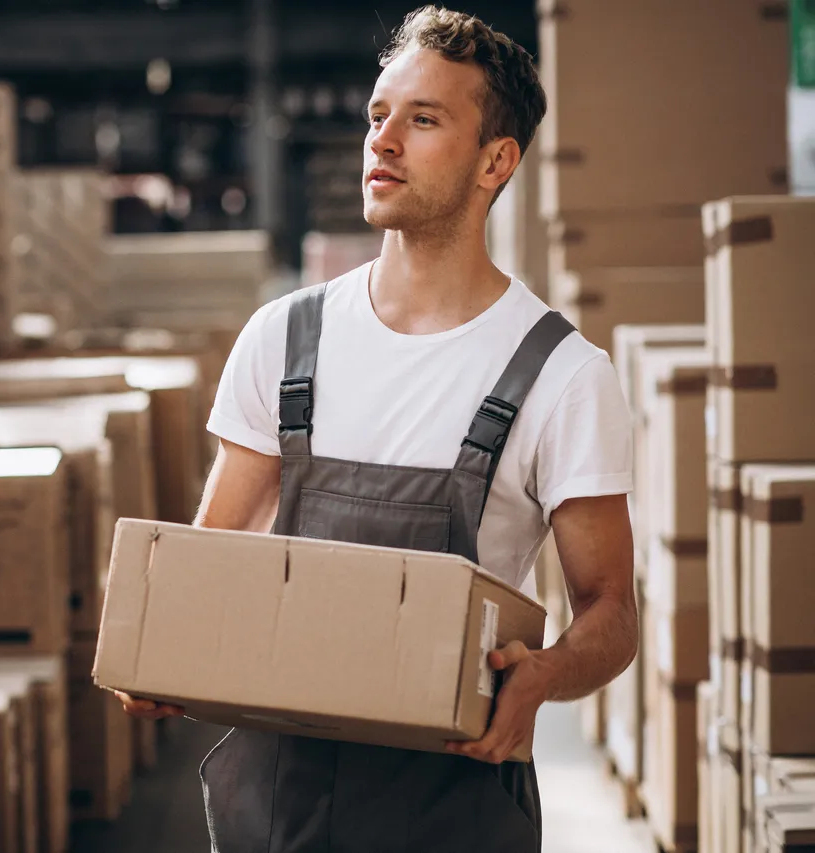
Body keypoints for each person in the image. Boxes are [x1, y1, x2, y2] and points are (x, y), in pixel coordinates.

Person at [116, 6, 639, 851]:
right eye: (378, 115)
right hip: (276, 801)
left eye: (423, 119)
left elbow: (611, 612)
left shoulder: (563, 375)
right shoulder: (283, 339)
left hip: (451, 800)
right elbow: (215, 554)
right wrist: (161, 649)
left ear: (495, 161)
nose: (383, 140)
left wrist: (540, 678)